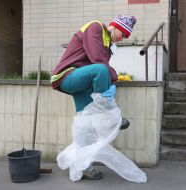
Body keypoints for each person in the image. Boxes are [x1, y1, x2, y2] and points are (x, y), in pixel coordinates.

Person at [51, 15, 137, 180]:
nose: (123, 39)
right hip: (67, 75)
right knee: (101, 70)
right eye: (124, 34)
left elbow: (100, 65)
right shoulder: (95, 27)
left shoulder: (108, 44)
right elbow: (97, 61)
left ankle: (83, 166)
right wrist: (114, 79)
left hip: (82, 81)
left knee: (85, 123)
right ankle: (108, 116)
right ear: (116, 27)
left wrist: (108, 82)